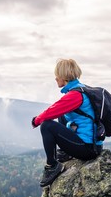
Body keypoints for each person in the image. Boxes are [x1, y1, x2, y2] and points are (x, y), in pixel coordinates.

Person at [32, 58, 103, 187]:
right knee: (63, 115)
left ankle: (52, 165)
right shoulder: (81, 89)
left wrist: (36, 120)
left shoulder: (75, 95)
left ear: (64, 76)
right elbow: (58, 110)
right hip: (92, 145)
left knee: (47, 125)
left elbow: (51, 111)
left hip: (87, 149)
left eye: (57, 75)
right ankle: (66, 153)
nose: (55, 78)